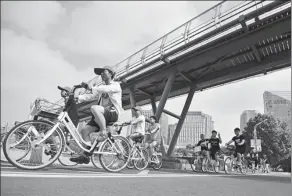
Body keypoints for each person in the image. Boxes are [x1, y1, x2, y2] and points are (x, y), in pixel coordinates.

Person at [70, 66, 123, 164]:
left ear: (111, 74)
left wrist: (92, 87)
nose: (102, 74)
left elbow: (106, 89)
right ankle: (86, 155)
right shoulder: (100, 88)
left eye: (104, 72)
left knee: (94, 108)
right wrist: (79, 98)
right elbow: (91, 95)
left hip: (113, 113)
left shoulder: (116, 85)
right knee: (84, 131)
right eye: (101, 73)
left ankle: (103, 131)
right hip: (102, 115)